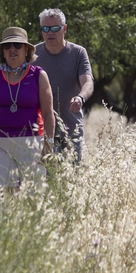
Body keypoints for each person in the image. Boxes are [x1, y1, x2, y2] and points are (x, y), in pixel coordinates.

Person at [0, 27, 55, 188]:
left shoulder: (38, 75)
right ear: (2, 52)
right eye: (7, 46)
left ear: (26, 50)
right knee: (2, 194)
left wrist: (48, 145)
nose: (12, 49)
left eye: (17, 45)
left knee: (33, 195)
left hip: (32, 142)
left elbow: (48, 114)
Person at [33, 9, 93, 162]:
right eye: (45, 29)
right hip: (41, 132)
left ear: (64, 28)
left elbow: (87, 82)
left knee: (71, 181)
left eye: (55, 28)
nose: (50, 33)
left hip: (71, 131)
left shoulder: (78, 53)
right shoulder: (32, 55)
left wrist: (80, 98)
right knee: (46, 181)